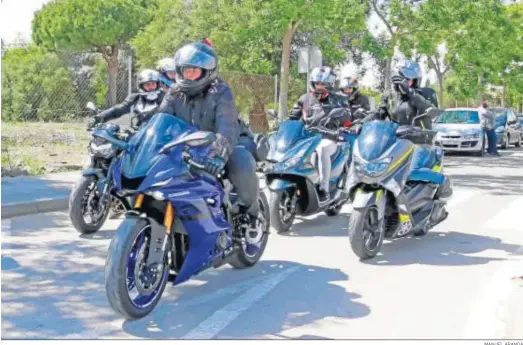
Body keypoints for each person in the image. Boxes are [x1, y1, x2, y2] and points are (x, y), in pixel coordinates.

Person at [156, 41, 261, 227]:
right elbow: (159, 120)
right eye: (186, 70)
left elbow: (226, 125)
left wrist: (218, 154)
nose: (188, 76)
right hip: (189, 146)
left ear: (207, 72)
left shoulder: (220, 91)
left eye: (194, 71)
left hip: (225, 142)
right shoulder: (174, 92)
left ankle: (251, 214)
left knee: (241, 162)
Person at [369, 60, 452, 200]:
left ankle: (443, 180)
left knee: (412, 171)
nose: (408, 82)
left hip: (420, 141)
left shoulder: (426, 93)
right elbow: (378, 114)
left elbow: (429, 108)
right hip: (395, 141)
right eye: (404, 80)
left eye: (410, 80)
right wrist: (360, 123)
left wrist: (410, 92)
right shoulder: (389, 96)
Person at [289, 66, 347, 202]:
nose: (319, 86)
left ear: (330, 85)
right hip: (307, 137)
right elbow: (292, 117)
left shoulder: (338, 100)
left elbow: (346, 118)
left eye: (323, 84)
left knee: (321, 149)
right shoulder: (304, 99)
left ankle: (323, 188)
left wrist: (343, 125)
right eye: (317, 83)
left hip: (328, 138)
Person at [89, 69, 165, 128]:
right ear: (141, 86)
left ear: (157, 85)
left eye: (153, 84)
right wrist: (98, 118)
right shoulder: (135, 98)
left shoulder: (166, 98)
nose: (151, 87)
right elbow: (118, 110)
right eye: (148, 84)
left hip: (162, 135)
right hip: (140, 136)